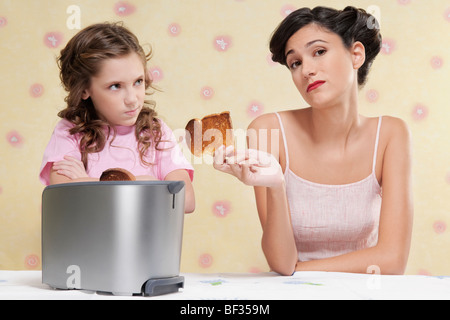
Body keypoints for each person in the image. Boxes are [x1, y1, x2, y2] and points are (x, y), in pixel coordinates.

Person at [214, 6, 413, 275]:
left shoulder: (391, 135)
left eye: (319, 52)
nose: (306, 70)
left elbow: (392, 259)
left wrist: (303, 268)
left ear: (356, 55)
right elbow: (282, 263)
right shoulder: (267, 131)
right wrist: (275, 185)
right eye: (295, 63)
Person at [39, 22, 195, 213]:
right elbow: (64, 201)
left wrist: (87, 182)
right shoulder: (69, 132)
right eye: (115, 86)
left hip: (149, 242)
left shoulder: (156, 132)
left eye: (138, 81)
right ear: (85, 89)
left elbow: (185, 201)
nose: (132, 99)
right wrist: (150, 184)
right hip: (88, 243)